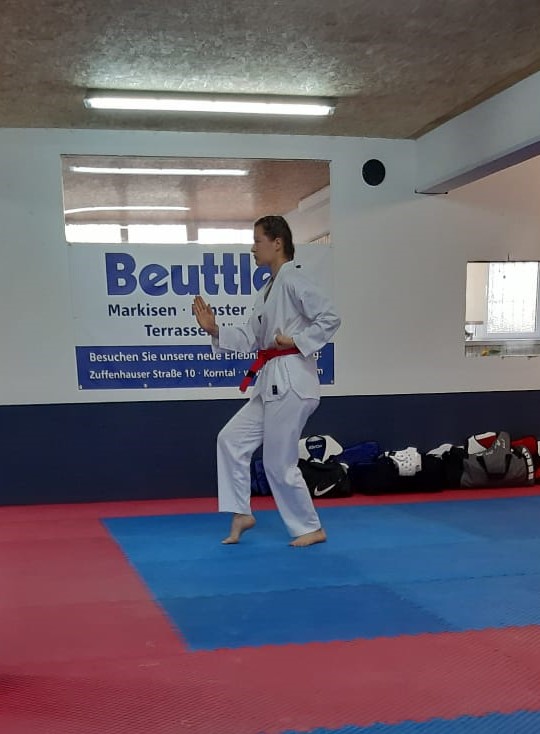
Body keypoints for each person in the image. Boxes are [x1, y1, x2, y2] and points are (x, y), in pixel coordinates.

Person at [192, 215, 340, 547]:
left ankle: (310, 527)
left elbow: (330, 317)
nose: (253, 248)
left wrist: (296, 340)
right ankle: (241, 512)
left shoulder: (294, 279)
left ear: (277, 242)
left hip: (292, 381)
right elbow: (251, 338)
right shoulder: (266, 291)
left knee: (278, 463)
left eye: (257, 240)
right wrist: (215, 330)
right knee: (230, 439)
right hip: (271, 382)